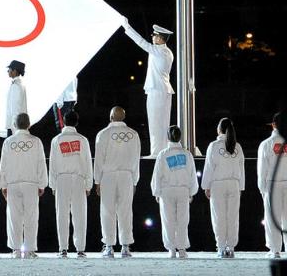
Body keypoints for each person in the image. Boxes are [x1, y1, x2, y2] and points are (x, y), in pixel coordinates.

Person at [121, 20, 174, 157]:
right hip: (161, 90)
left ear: (160, 38)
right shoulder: (165, 51)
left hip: (158, 90)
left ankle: (156, 153)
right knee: (161, 123)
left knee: (156, 124)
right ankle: (160, 151)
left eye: (154, 35)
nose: (152, 37)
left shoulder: (160, 51)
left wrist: (127, 27)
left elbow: (140, 42)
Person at [94, 106, 141, 258]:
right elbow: (136, 159)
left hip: (108, 176)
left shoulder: (103, 134)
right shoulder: (133, 134)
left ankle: (109, 246)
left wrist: (97, 180)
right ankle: (125, 246)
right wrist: (134, 180)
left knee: (107, 210)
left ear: (111, 117)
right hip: (126, 176)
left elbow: (99, 160)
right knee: (126, 210)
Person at [0, 112, 47, 259]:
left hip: (13, 183)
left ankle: (16, 250)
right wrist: (42, 184)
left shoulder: (8, 142)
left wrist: (3, 185)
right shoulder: (36, 141)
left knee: (14, 217)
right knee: (31, 217)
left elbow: (4, 165)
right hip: (31, 183)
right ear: (29, 124)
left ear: (14, 125)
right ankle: (30, 250)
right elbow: (41, 163)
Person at [49, 110, 92, 258]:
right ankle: (80, 248)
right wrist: (88, 185)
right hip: (79, 179)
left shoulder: (57, 140)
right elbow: (88, 163)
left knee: (62, 214)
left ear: (64, 122)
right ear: (76, 122)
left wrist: (53, 185)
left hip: (62, 179)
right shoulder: (83, 140)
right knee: (80, 214)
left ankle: (63, 248)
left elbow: (52, 164)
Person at [151, 125, 198, 259]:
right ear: (180, 137)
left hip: (167, 191)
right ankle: (182, 249)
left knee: (168, 220)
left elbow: (157, 175)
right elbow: (192, 174)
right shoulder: (187, 154)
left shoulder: (163, 154)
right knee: (183, 220)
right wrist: (191, 191)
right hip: (183, 190)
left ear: (168, 137)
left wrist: (157, 192)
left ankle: (171, 249)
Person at [202, 117, 244, 258]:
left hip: (218, 184)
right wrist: (240, 187)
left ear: (219, 130)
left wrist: (206, 186)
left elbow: (209, 167)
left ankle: (220, 247)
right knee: (233, 217)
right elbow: (241, 168)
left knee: (219, 216)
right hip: (234, 184)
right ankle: (230, 247)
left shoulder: (214, 146)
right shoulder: (237, 146)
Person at [257, 113, 287, 259]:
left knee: (272, 218)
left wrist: (262, 188)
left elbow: (262, 169)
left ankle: (275, 250)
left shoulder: (266, 144)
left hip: (273, 185)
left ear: (273, 125)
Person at [5, 60, 27, 136]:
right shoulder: (20, 84)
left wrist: (14, 130)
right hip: (19, 125)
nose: (8, 71)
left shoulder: (16, 86)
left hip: (14, 126)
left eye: (9, 69)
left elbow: (15, 108)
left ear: (14, 71)